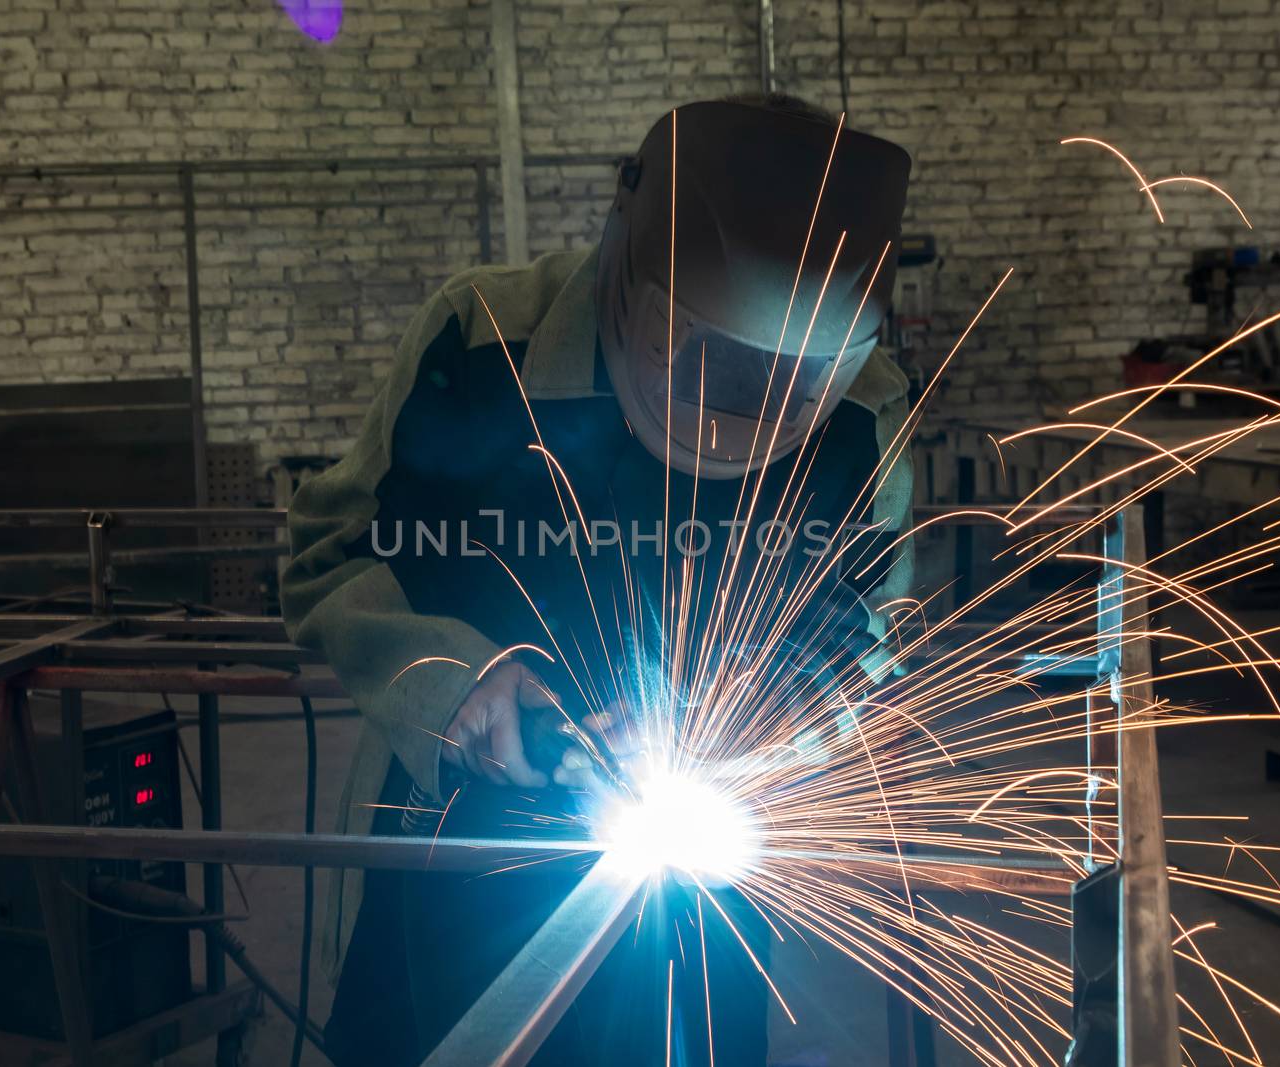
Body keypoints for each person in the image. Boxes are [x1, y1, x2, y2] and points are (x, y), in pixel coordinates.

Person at [282, 92, 915, 1066]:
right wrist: (456, 683)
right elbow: (334, 552)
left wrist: (757, 725)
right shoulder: (477, 341)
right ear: (629, 248)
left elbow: (863, 634)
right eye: (709, 355)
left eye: (781, 375)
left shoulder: (858, 417)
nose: (735, 402)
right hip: (455, 847)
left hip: (695, 869)